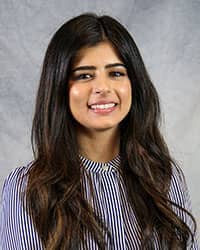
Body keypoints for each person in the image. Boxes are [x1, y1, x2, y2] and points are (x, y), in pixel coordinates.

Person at [0, 13, 199, 250]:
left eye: (116, 73)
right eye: (84, 75)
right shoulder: (27, 190)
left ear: (134, 84)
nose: (103, 88)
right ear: (59, 88)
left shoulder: (165, 178)